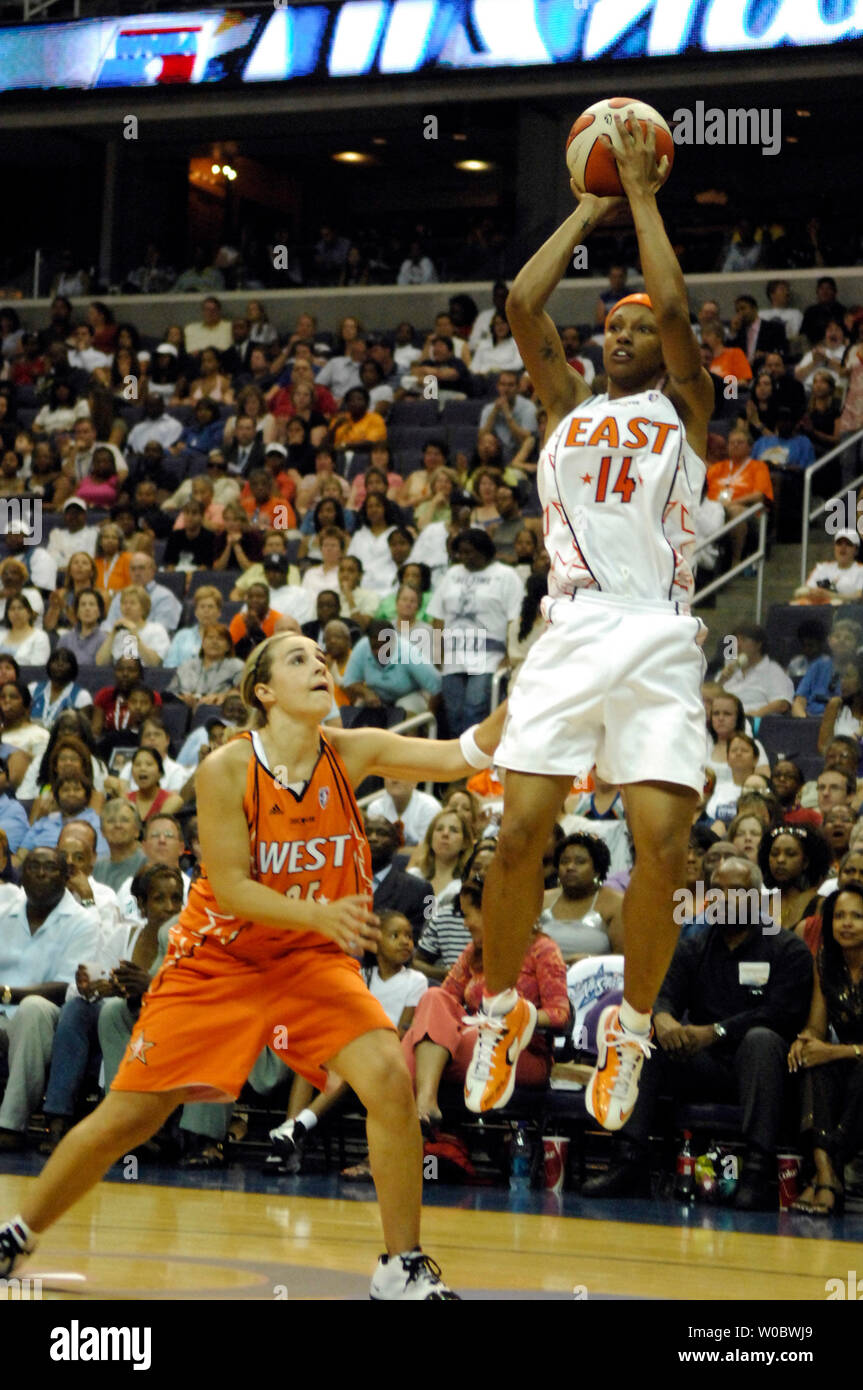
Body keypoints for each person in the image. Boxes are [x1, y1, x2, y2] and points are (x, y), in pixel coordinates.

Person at [0, 631, 509, 1298]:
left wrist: (532, 687)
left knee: (387, 1075)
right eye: (299, 659)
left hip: (306, 961)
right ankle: (19, 1234)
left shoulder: (349, 751)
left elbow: (461, 754)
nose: (319, 664)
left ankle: (400, 1265)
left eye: (322, 658)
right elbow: (233, 886)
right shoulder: (226, 769)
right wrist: (320, 915)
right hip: (219, 960)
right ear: (263, 692)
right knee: (130, 1117)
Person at [462, 114, 714, 1130]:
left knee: (661, 847)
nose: (619, 332)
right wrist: (588, 202)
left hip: (654, 630)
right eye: (609, 323)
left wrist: (645, 197)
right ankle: (495, 1013)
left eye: (637, 326)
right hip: (569, 628)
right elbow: (521, 301)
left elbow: (684, 309)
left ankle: (629, 1032)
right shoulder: (564, 404)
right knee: (518, 833)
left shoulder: (684, 405)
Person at [581, 856, 812, 1209]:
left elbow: (783, 1014)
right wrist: (663, 1018)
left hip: (763, 1069)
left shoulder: (785, 947)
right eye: (716, 891)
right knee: (646, 1037)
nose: (723, 899)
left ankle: (755, 1171)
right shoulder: (694, 945)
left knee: (761, 1040)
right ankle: (630, 1160)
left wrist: (716, 1031)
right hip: (704, 1063)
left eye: (735, 891)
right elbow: (664, 994)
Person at [401, 877, 569, 1134]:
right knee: (433, 998)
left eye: (469, 915)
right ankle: (424, 1105)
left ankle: (397, 1137)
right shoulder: (474, 951)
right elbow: (441, 1002)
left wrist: (516, 1013)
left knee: (412, 1048)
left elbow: (560, 1015)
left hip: (520, 1051)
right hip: (472, 1044)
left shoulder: (541, 949)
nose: (465, 923)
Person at [0, 846, 100, 1150]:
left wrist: (7, 993)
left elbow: (67, 986)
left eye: (51, 868)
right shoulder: (5, 914)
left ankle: (11, 1125)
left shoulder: (83, 921)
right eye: (33, 867)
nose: (41, 874)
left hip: (52, 1017)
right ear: (22, 875)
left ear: (66, 876)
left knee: (32, 1010)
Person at [789, 884, 863, 1215]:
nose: (846, 923)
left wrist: (834, 1052)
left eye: (857, 916)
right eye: (840, 916)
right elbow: (817, 1026)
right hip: (845, 1059)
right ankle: (826, 1173)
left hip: (858, 1060)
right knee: (811, 1061)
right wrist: (805, 1040)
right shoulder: (826, 962)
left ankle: (823, 1175)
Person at [538, 833, 623, 965]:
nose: (570, 867)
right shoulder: (542, 899)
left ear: (597, 870)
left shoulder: (616, 903)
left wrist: (591, 962)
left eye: (580, 862)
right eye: (564, 862)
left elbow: (624, 960)